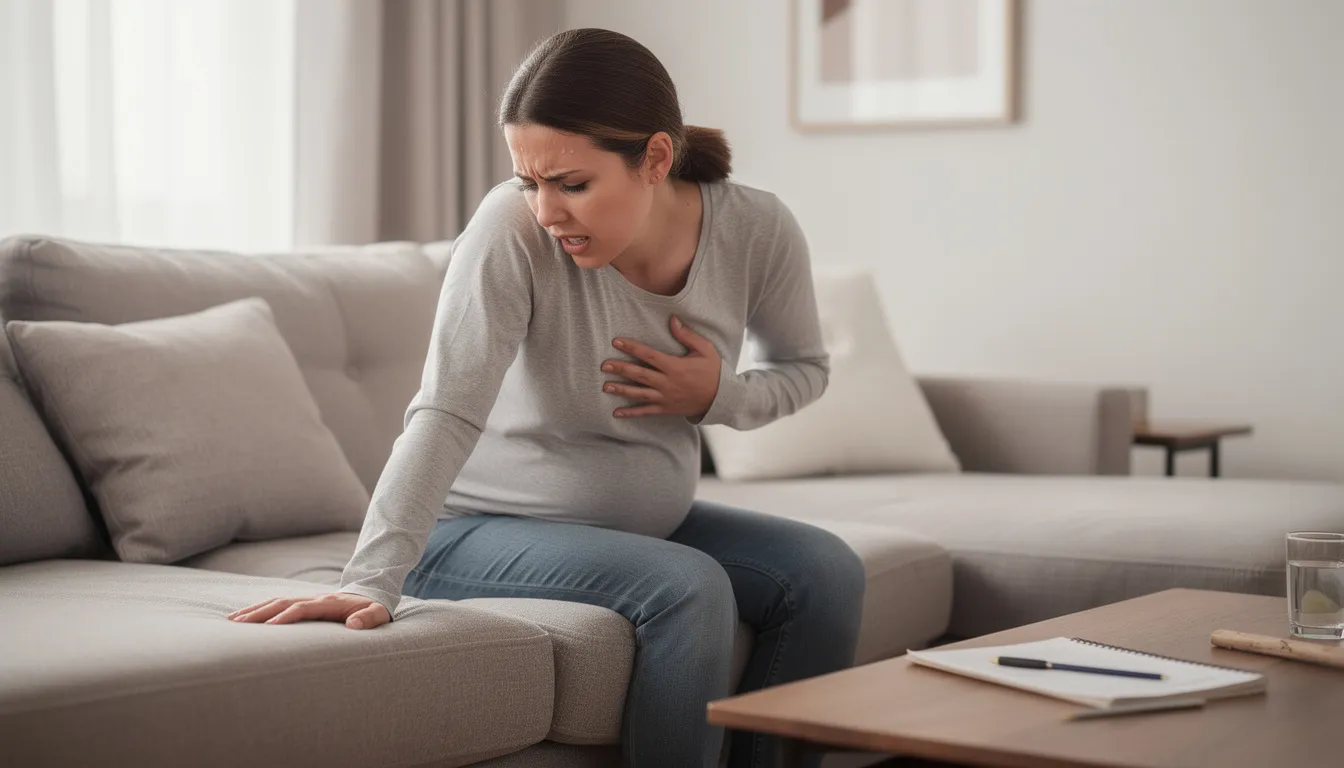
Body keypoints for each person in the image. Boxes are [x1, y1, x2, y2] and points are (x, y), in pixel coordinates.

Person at [228, 27, 865, 768]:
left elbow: (805, 368)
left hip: (648, 528)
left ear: (656, 159)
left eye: (571, 184)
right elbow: (444, 409)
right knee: (689, 586)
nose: (545, 211)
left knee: (826, 573)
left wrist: (718, 395)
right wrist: (370, 578)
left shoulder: (755, 229)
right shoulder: (511, 231)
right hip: (476, 530)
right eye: (529, 182)